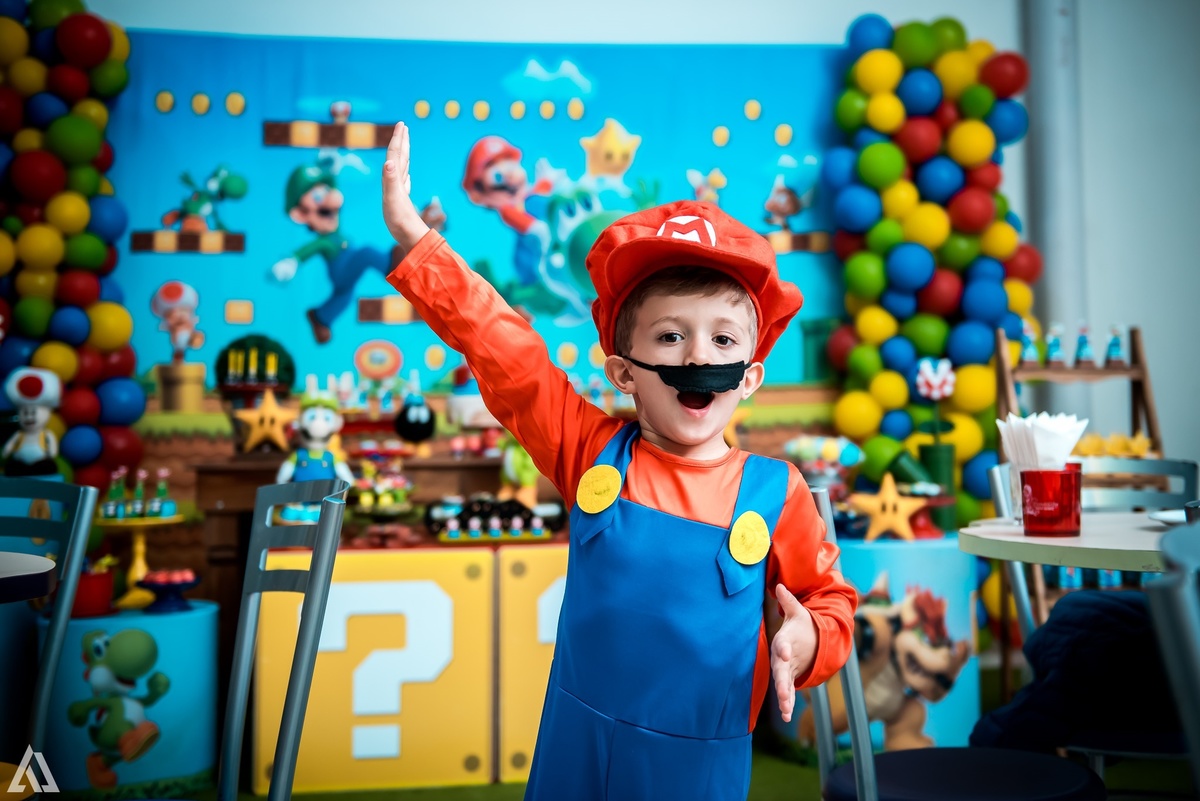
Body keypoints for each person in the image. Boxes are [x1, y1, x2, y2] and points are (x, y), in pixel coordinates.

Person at [381, 122, 856, 801]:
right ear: (624, 371)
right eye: (671, 335)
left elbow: (829, 601)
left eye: (723, 340)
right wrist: (415, 238)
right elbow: (504, 349)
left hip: (698, 770)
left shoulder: (776, 491)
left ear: (750, 377)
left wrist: (808, 638)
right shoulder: (589, 450)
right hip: (573, 748)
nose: (699, 356)